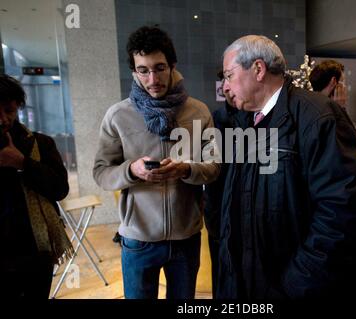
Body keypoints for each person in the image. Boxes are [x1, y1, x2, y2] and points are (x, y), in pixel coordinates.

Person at [219, 35, 356, 299]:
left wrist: (296, 284)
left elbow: (349, 215)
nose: (225, 86)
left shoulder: (317, 116)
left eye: (228, 75)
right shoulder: (246, 123)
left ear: (258, 69)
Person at [93, 26, 219, 299]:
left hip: (186, 237)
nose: (153, 79)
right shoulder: (117, 115)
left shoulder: (198, 111)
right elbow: (102, 172)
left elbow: (215, 165)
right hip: (138, 239)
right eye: (143, 70)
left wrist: (187, 168)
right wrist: (132, 170)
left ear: (172, 65)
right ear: (134, 71)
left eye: (160, 68)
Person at [0, 74, 72, 298]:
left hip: (36, 250)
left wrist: (22, 163)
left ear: (18, 107)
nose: (2, 120)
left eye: (9, 110)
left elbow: (60, 189)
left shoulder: (39, 143)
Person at [203, 71, 236, 298]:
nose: (227, 87)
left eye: (231, 79)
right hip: (219, 213)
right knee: (221, 277)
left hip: (252, 218)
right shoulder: (215, 120)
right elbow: (210, 173)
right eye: (224, 81)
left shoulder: (264, 122)